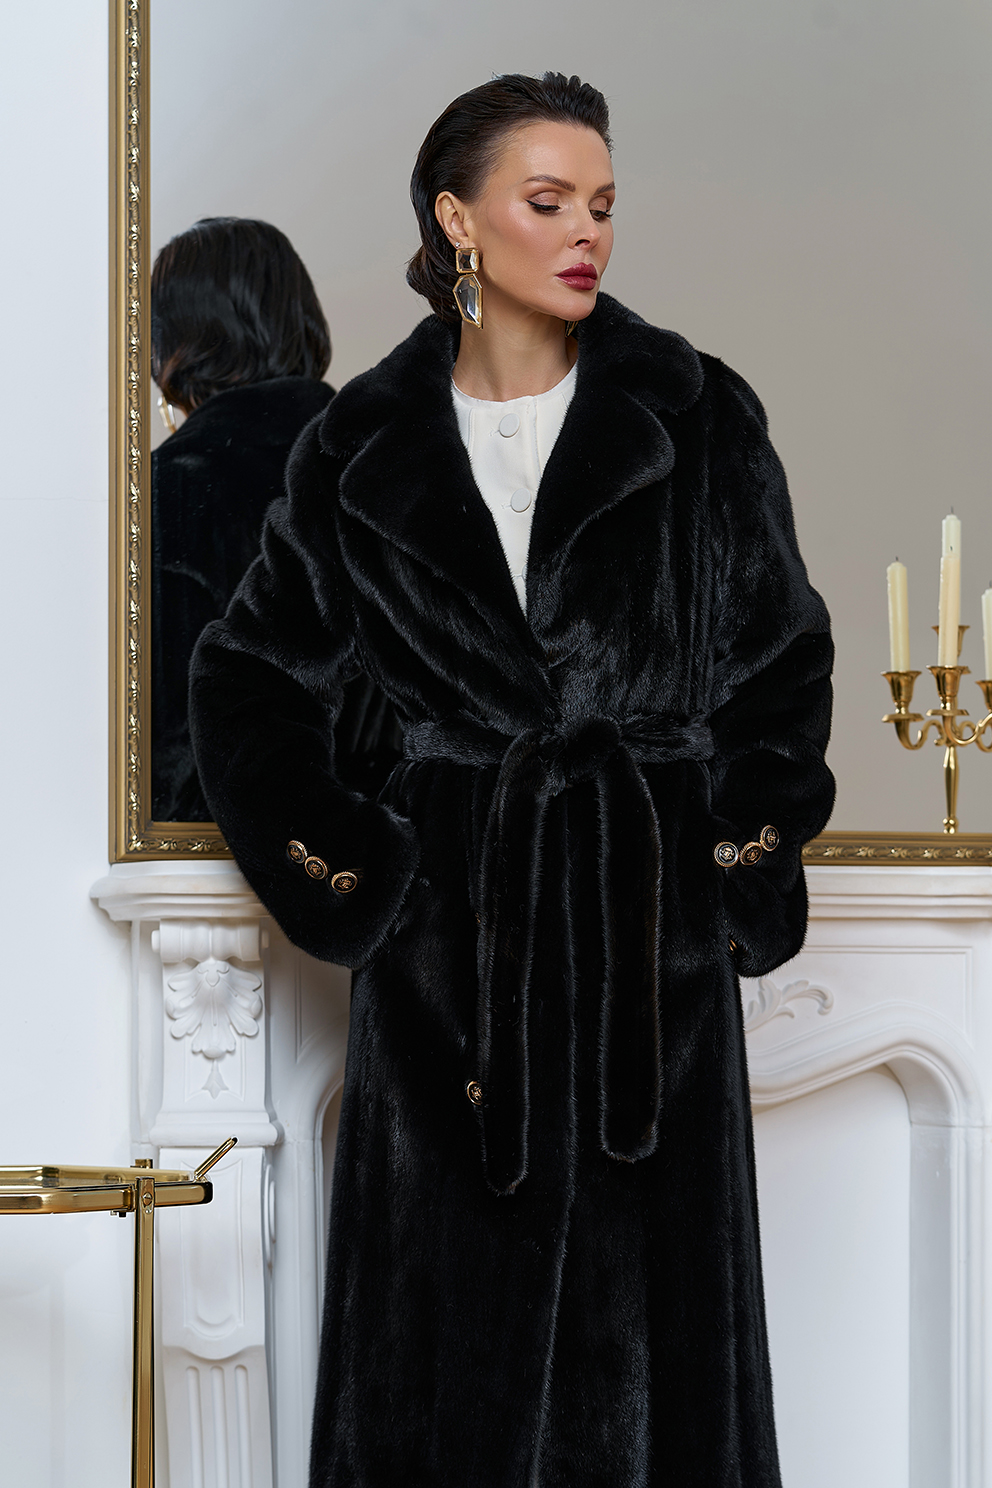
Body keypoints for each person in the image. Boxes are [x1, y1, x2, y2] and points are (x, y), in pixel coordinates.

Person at [190, 73, 834, 1488]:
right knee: (438, 1362)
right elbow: (247, 677)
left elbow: (780, 663)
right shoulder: (356, 445)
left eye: (601, 204)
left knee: (662, 1364)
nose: (586, 231)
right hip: (450, 965)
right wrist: (359, 875)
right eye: (548, 201)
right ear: (456, 219)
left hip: (648, 952)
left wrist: (733, 867)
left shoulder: (698, 414)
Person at [150, 217, 335, 820]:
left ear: (172, 340)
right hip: (406, 853)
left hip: (228, 855)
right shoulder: (396, 463)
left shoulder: (174, 484)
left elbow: (170, 750)